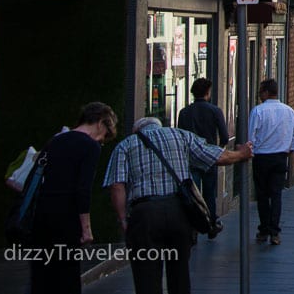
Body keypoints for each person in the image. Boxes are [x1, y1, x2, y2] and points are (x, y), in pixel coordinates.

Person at [105, 116, 252, 294]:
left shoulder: (125, 145)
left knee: (146, 275)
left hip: (145, 214)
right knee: (179, 271)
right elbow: (216, 156)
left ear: (137, 131)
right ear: (160, 126)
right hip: (178, 212)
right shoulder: (180, 135)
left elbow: (116, 186)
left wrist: (123, 220)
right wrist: (241, 154)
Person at [29, 102, 117, 294]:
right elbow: (82, 189)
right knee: (67, 275)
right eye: (104, 136)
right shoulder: (90, 146)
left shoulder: (56, 140)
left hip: (42, 214)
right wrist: (86, 228)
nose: (102, 140)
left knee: (41, 274)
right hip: (66, 217)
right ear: (101, 123)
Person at [249, 79, 294, 245]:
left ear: (266, 92)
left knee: (263, 195)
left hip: (261, 157)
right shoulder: (288, 111)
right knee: (276, 194)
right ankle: (275, 232)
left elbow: (250, 136)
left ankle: (264, 229)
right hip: (280, 157)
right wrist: (290, 149)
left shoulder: (258, 111)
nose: (259, 95)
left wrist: (251, 150)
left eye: (260, 91)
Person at [176, 78, 229, 226]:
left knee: (193, 193)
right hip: (209, 157)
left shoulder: (184, 112)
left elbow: (180, 135)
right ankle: (210, 221)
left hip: (191, 158)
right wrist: (217, 150)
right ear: (207, 93)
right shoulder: (215, 111)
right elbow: (224, 136)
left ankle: (193, 222)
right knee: (209, 193)